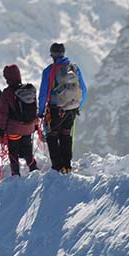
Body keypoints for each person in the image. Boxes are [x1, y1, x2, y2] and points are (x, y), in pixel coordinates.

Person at [38, 42, 87, 173]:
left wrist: (40, 112)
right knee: (66, 135)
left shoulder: (49, 71)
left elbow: (43, 94)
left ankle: (57, 168)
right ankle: (67, 166)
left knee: (52, 137)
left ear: (52, 55)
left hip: (55, 109)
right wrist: (77, 106)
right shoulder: (75, 68)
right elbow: (83, 89)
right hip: (71, 109)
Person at [0, 64, 39, 176]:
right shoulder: (29, 90)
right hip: (29, 127)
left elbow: (4, 113)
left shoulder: (7, 93)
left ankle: (15, 175)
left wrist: (1, 129)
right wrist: (35, 124)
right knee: (27, 151)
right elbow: (34, 108)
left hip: (14, 129)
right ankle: (34, 170)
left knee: (13, 152)